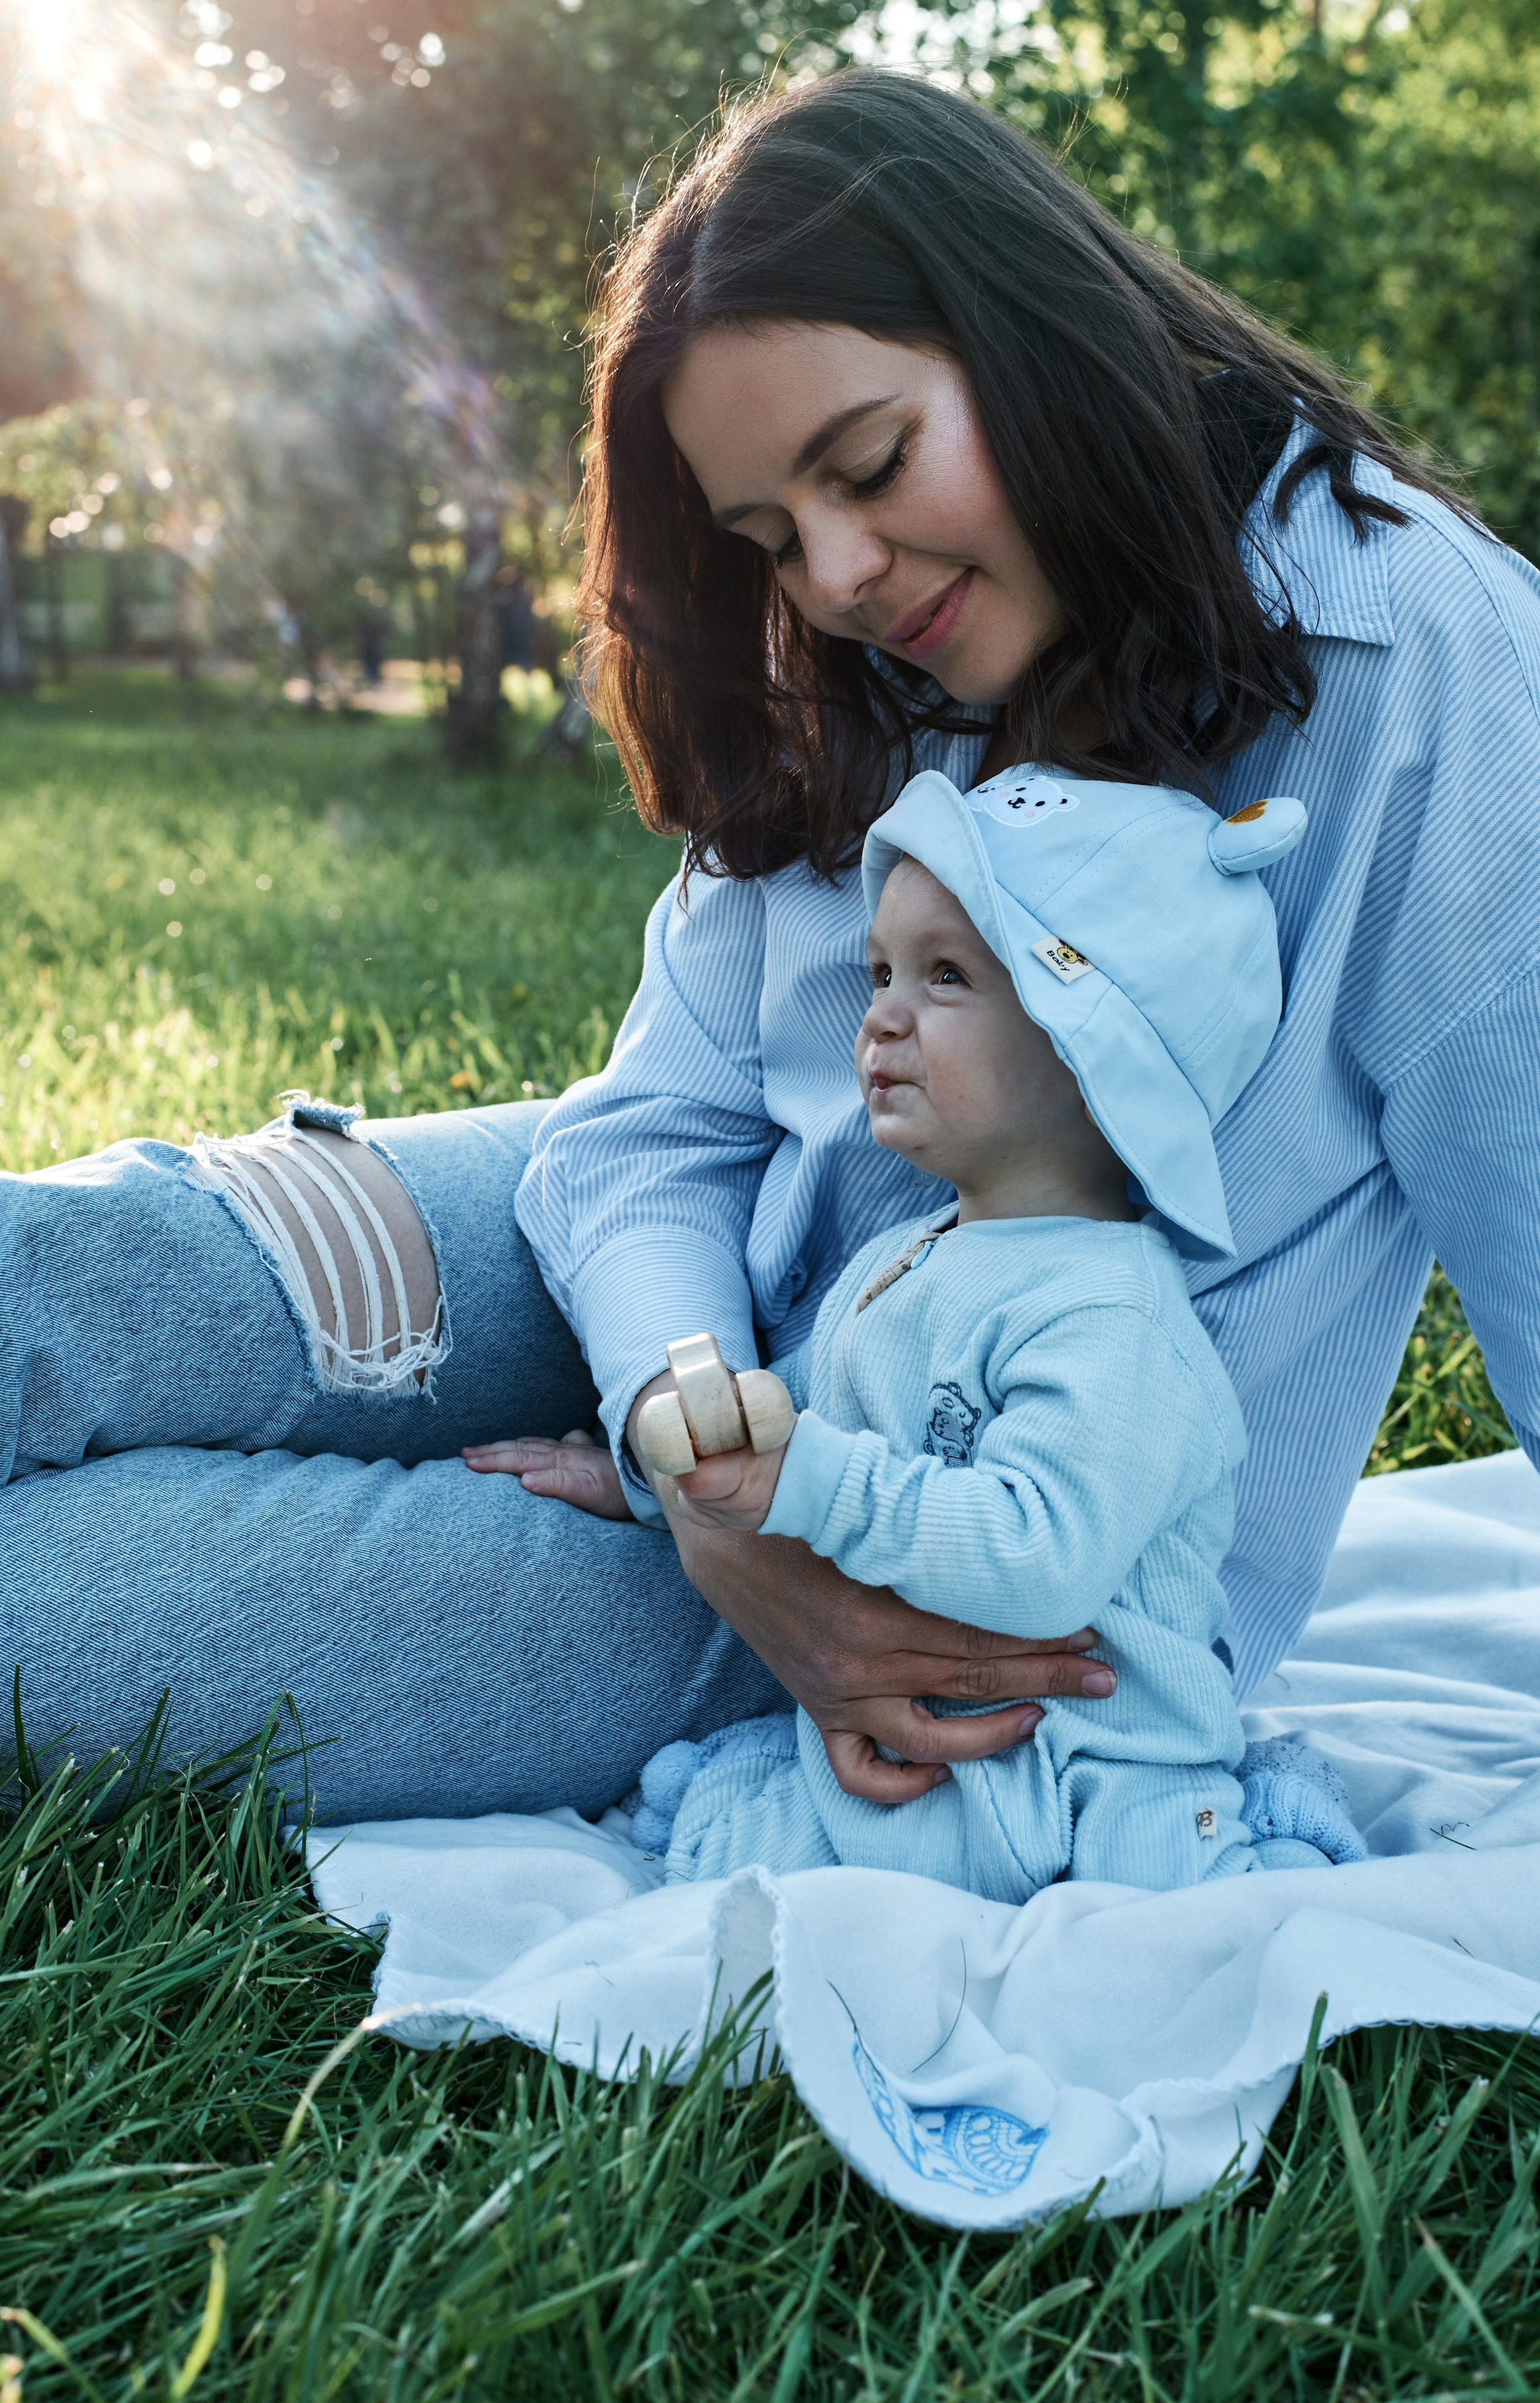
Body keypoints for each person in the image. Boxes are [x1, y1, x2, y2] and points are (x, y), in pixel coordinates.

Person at [0, 70, 1540, 1830]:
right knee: (9, 1280)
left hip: (940, 1565)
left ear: (1035, 330)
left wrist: (767, 1512)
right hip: (673, 1311)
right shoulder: (867, 656)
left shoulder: (1420, 668)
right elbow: (653, 1130)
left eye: (869, 466)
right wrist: (694, 1440)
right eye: (769, 538)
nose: (843, 574)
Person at [495, 764, 1368, 1894]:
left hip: (1084, 1782)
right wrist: (692, 1470)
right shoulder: (926, 1253)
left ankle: (1256, 1837)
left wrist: (805, 1478)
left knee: (785, 1864)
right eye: (881, 972)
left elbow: (1039, 1556)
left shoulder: (1114, 1314)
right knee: (764, 1823)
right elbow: (835, 1408)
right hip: (961, 1748)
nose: (881, 1016)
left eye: (945, 976)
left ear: (1097, 1049)